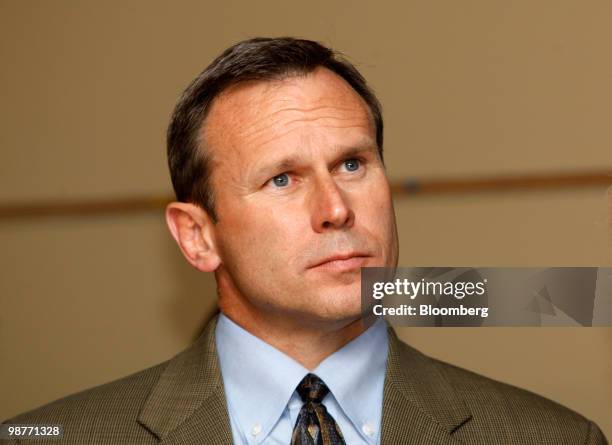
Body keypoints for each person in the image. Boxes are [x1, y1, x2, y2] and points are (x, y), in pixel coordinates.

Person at [2, 37, 607, 445]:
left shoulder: (554, 438)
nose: (336, 209)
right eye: (283, 179)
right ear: (196, 237)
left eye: (351, 165)